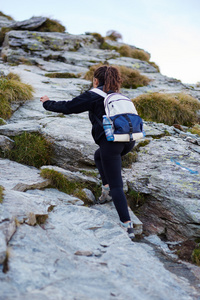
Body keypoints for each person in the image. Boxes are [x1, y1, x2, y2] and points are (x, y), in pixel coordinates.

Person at [40, 65, 135, 239]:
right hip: (129, 141)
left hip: (111, 142)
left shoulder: (94, 95)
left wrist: (47, 103)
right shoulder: (121, 96)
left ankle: (127, 225)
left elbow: (68, 107)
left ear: (96, 80)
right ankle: (105, 189)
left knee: (117, 185)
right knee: (99, 156)